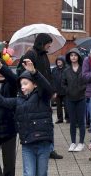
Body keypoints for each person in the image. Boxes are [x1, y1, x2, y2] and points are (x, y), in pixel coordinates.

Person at [20, 32, 63, 160]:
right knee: (36, 121)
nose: (49, 47)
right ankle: (36, 146)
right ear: (42, 43)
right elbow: (24, 73)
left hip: (46, 93)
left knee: (48, 121)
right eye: (48, 44)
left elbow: (48, 74)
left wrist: (52, 90)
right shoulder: (30, 54)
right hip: (35, 94)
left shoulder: (44, 55)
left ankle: (50, 149)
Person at [64, 48, 87, 152]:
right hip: (70, 98)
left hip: (81, 98)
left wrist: (82, 89)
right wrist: (67, 90)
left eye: (75, 55)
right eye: (71, 55)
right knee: (72, 122)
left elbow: (87, 81)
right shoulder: (66, 70)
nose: (73, 57)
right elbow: (62, 84)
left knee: (81, 121)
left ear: (78, 57)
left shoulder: (83, 69)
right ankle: (73, 142)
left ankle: (81, 143)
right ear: (69, 57)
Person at [52, 57, 69, 124]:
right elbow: (52, 80)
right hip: (57, 91)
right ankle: (60, 119)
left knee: (67, 106)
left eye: (60, 60)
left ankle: (68, 118)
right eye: (57, 61)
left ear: (63, 61)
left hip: (65, 91)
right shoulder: (54, 70)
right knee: (58, 106)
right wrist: (54, 91)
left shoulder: (67, 69)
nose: (58, 62)